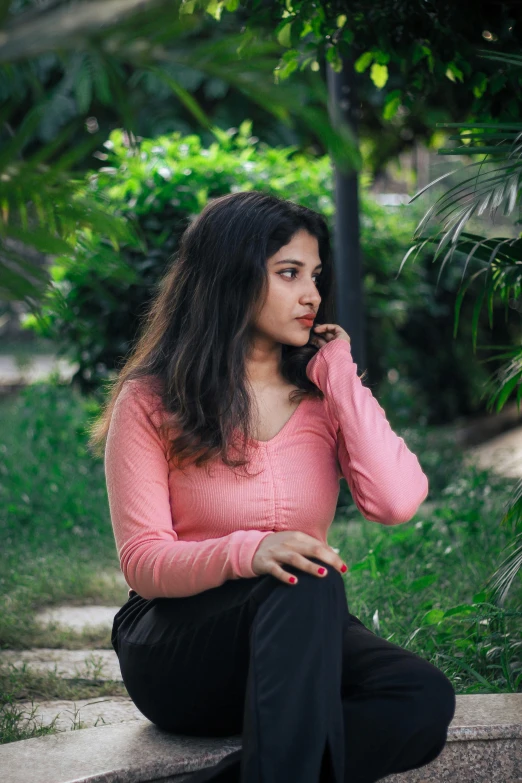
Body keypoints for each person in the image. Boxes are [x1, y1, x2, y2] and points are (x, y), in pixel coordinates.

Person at [90, 190, 456, 783]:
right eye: (289, 274)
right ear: (230, 275)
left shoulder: (323, 396)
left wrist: (339, 374)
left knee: (419, 697)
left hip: (296, 638)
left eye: (315, 275)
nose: (311, 294)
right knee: (303, 580)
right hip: (182, 647)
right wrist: (249, 551)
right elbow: (143, 562)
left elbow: (395, 501)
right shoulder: (152, 400)